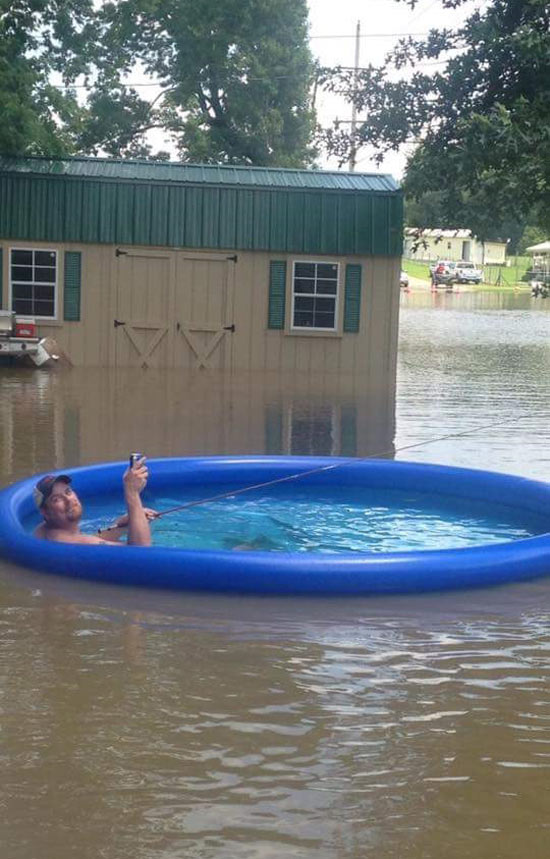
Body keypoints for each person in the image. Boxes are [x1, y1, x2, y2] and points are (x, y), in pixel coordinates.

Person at [33, 457, 155, 546]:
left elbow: (89, 539)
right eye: (57, 499)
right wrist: (132, 493)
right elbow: (140, 551)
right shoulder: (67, 541)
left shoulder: (48, 531)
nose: (68, 499)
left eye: (68, 491)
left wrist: (122, 524)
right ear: (45, 512)